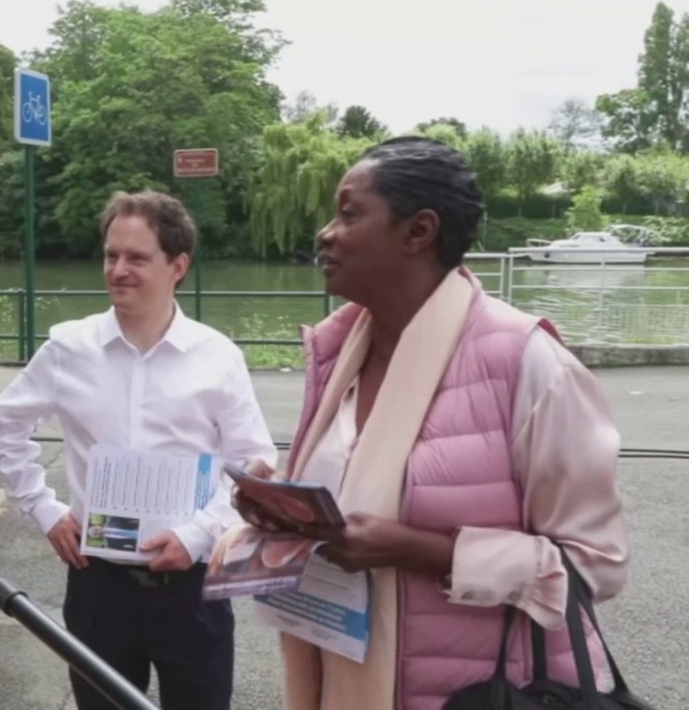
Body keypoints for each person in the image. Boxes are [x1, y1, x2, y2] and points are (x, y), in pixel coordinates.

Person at [235, 137, 629, 709]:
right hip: (336, 678)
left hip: (474, 696)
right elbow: (343, 514)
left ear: (418, 232)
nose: (325, 232)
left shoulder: (528, 363)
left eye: (348, 214)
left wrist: (426, 552)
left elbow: (596, 566)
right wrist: (280, 513)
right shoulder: (339, 352)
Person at [0, 190, 278, 710]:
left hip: (193, 587)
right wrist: (45, 509)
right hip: (99, 585)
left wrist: (198, 533)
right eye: (110, 255)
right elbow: (4, 427)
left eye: (137, 258)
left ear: (177, 266)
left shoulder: (217, 357)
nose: (118, 270)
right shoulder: (68, 349)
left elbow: (252, 461)